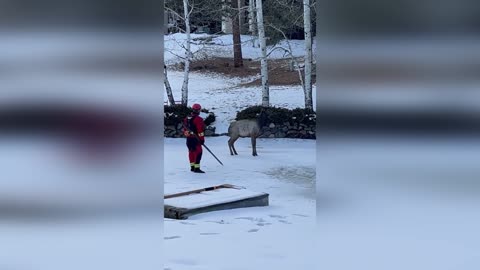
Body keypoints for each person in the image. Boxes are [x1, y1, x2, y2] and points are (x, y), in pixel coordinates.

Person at [183, 103, 206, 173]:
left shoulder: (186, 118)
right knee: (198, 153)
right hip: (196, 140)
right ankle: (197, 168)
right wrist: (202, 139)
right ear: (199, 110)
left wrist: (188, 135)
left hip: (188, 140)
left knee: (191, 152)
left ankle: (192, 167)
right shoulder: (199, 119)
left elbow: (184, 130)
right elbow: (200, 131)